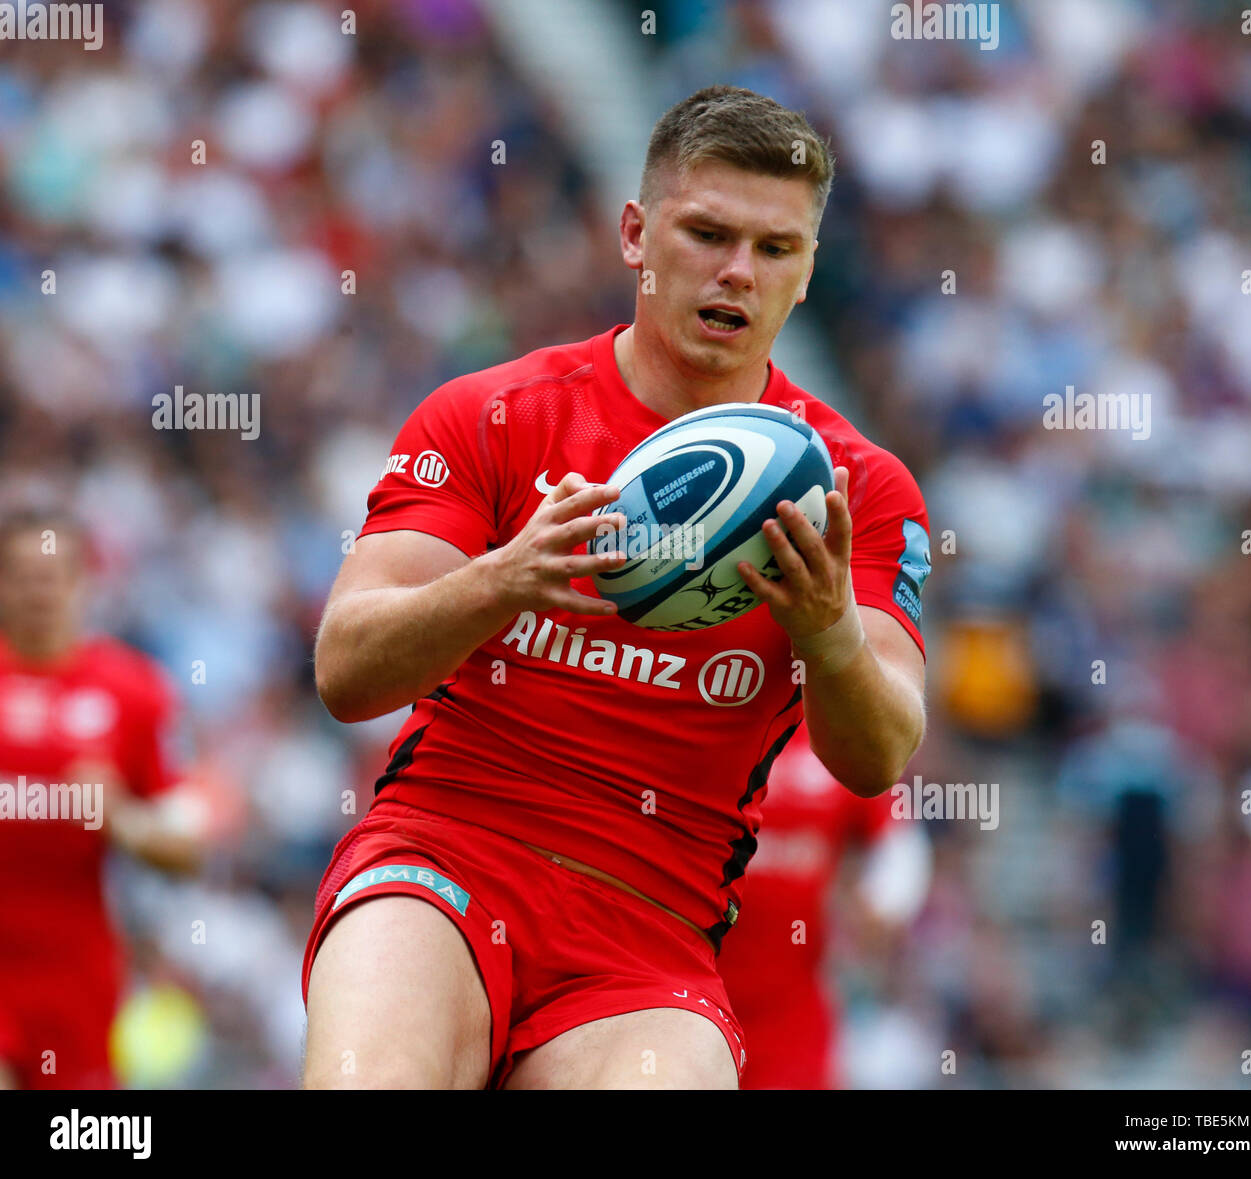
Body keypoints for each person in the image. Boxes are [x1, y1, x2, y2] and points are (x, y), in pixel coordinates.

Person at [303, 85, 932, 1090]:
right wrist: (500, 581)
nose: (737, 271)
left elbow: (881, 754)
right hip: (444, 857)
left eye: (775, 249)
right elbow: (345, 671)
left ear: (808, 271)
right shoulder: (493, 416)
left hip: (649, 927)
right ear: (636, 234)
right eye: (707, 233)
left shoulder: (853, 489)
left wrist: (827, 635)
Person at [0, 509, 203, 1090]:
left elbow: (188, 848)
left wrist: (119, 817)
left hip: (76, 978)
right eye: (21, 575)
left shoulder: (133, 692)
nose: (38, 591)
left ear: (83, 582)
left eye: (53, 575)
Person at [718, 724, 933, 1089]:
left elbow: (898, 839)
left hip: (791, 1013)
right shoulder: (711, 719)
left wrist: (882, 905)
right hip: (689, 992)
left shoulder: (834, 731)